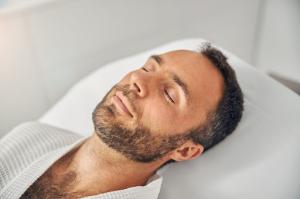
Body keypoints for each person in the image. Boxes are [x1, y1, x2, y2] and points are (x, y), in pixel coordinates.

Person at [0, 44, 244, 199]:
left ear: (185, 149)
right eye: (148, 68)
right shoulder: (31, 135)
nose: (136, 78)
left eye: (170, 94)